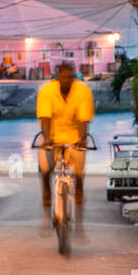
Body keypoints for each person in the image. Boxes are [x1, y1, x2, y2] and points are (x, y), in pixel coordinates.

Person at [35, 61, 94, 208]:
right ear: (57, 77)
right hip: (51, 136)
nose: (66, 80)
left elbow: (83, 119)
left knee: (79, 166)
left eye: (69, 77)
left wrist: (81, 139)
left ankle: (79, 186)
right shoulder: (47, 91)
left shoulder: (83, 91)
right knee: (45, 166)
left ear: (73, 77)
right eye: (63, 77)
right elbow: (45, 117)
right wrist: (47, 138)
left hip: (74, 137)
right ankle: (46, 192)